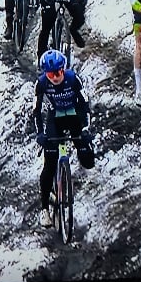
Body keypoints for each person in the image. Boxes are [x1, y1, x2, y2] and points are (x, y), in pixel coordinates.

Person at [30, 48, 95, 228]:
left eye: (58, 72)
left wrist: (86, 129)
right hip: (56, 119)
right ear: (45, 74)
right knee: (49, 164)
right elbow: (36, 111)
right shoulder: (41, 83)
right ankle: (44, 209)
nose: (55, 77)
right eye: (51, 74)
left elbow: (85, 105)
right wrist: (40, 133)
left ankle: (83, 152)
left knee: (88, 161)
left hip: (75, 116)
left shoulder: (73, 79)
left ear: (63, 69)